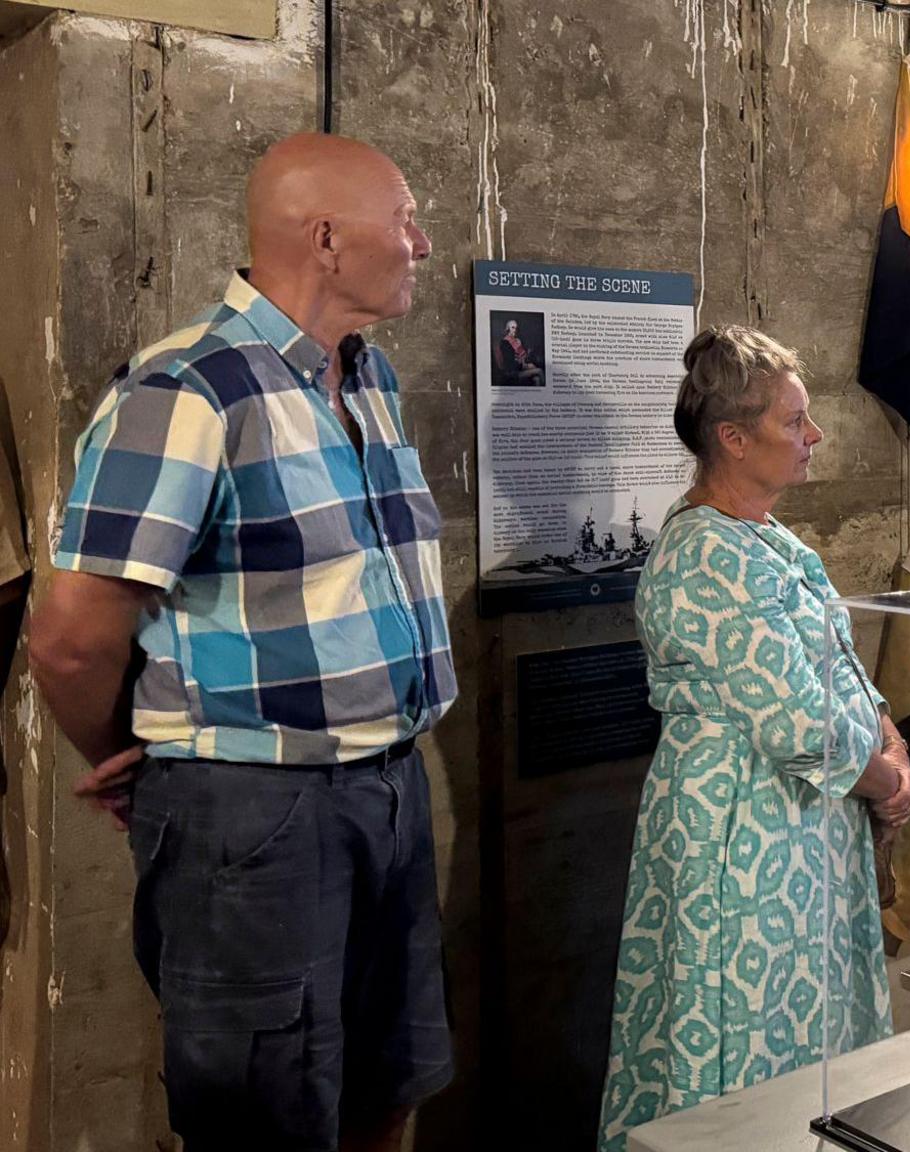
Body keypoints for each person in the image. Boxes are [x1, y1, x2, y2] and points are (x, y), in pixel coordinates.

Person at [28, 133, 452, 1152]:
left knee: (388, 1083)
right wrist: (128, 759)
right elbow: (71, 639)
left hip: (391, 788)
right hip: (252, 814)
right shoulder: (190, 388)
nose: (422, 244)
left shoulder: (371, 381)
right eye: (402, 221)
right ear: (326, 239)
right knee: (264, 1117)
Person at [600, 326, 910, 1149]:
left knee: (809, 1043)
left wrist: (890, 739)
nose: (813, 438)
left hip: (802, 833)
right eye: (795, 422)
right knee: (742, 1041)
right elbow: (796, 718)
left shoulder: (768, 537)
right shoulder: (704, 554)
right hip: (742, 837)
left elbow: (836, 663)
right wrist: (885, 782)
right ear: (733, 440)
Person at [494, 318, 543, 385]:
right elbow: (510, 364)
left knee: (536, 379)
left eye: (516, 328)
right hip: (513, 372)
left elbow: (523, 355)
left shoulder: (517, 340)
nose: (515, 330)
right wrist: (526, 365)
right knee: (539, 371)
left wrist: (527, 354)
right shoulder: (505, 343)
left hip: (520, 367)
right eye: (513, 328)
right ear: (508, 329)